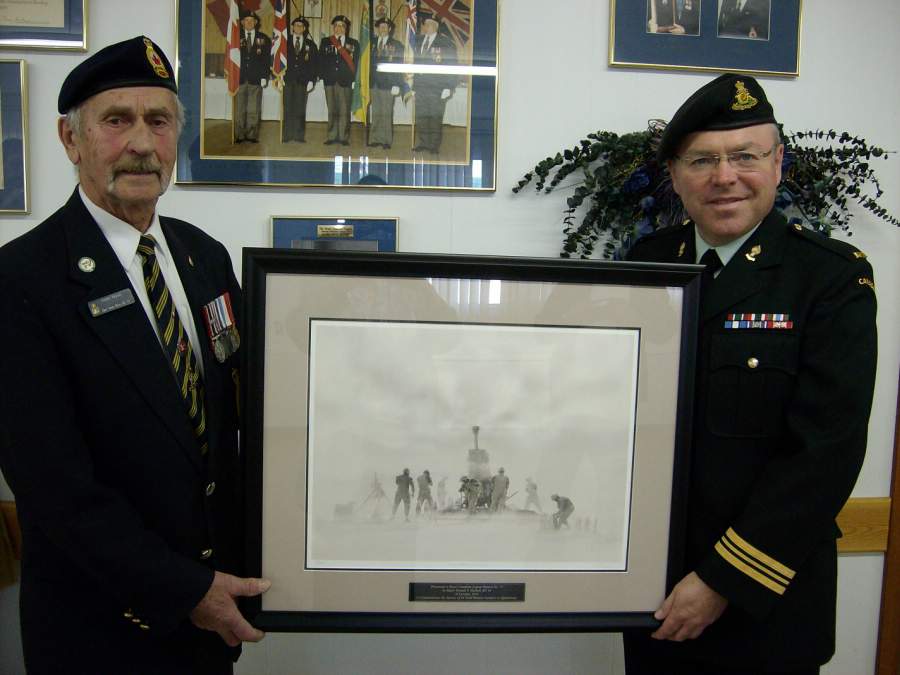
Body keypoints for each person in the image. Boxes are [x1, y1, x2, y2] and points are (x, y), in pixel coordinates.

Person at [0, 36, 270, 673]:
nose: (143, 144)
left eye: (159, 121)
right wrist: (188, 592)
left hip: (210, 626)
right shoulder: (22, 282)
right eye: (117, 121)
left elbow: (237, 416)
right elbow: (56, 490)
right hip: (101, 633)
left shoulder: (205, 258)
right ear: (72, 140)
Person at [623, 73, 877, 674]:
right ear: (676, 176)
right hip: (653, 592)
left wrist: (720, 581)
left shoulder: (829, 277)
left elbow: (825, 453)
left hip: (768, 602)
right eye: (702, 160)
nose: (724, 176)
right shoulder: (647, 263)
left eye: (745, 156)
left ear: (779, 162)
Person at [412, 14, 457, 154]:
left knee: (435, 116)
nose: (426, 26)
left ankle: (433, 146)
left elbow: (452, 65)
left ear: (436, 27)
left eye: (430, 24)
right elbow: (415, 65)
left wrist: (449, 86)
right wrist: (413, 86)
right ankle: (424, 143)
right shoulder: (418, 41)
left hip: (437, 87)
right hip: (420, 87)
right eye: (425, 24)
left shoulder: (446, 43)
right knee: (421, 116)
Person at [319, 15, 360, 146]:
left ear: (346, 28)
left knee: (344, 110)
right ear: (333, 27)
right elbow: (321, 61)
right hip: (329, 81)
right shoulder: (326, 41)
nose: (339, 28)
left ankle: (343, 137)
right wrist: (321, 77)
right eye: (336, 25)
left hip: (346, 80)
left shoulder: (353, 43)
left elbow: (357, 62)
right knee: (331, 109)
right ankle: (331, 136)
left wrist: (355, 80)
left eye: (342, 25)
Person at [235, 11, 271, 143]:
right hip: (239, 78)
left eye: (252, 20)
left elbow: (267, 59)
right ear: (242, 22)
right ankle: (239, 135)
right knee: (240, 108)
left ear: (256, 22)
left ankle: (251, 135)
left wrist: (264, 76)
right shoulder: (235, 38)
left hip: (256, 78)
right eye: (246, 20)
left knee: (253, 108)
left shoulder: (264, 38)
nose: (249, 23)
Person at [368, 17, 404, 149]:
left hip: (389, 84)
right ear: (377, 29)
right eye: (380, 27)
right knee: (376, 111)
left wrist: (397, 84)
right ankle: (374, 138)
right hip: (374, 83)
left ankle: (386, 141)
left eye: (385, 27)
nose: (382, 29)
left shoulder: (397, 45)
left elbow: (399, 66)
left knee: (386, 112)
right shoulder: (371, 43)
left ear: (389, 29)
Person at [282, 17, 318, 143]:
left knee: (300, 109)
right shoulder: (284, 43)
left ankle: (299, 135)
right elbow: (278, 60)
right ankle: (287, 134)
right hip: (287, 80)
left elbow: (314, 65)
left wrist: (311, 80)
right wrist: (279, 76)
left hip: (303, 81)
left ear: (304, 28)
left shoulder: (311, 45)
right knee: (287, 108)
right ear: (292, 27)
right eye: (296, 25)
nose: (298, 27)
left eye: (300, 25)